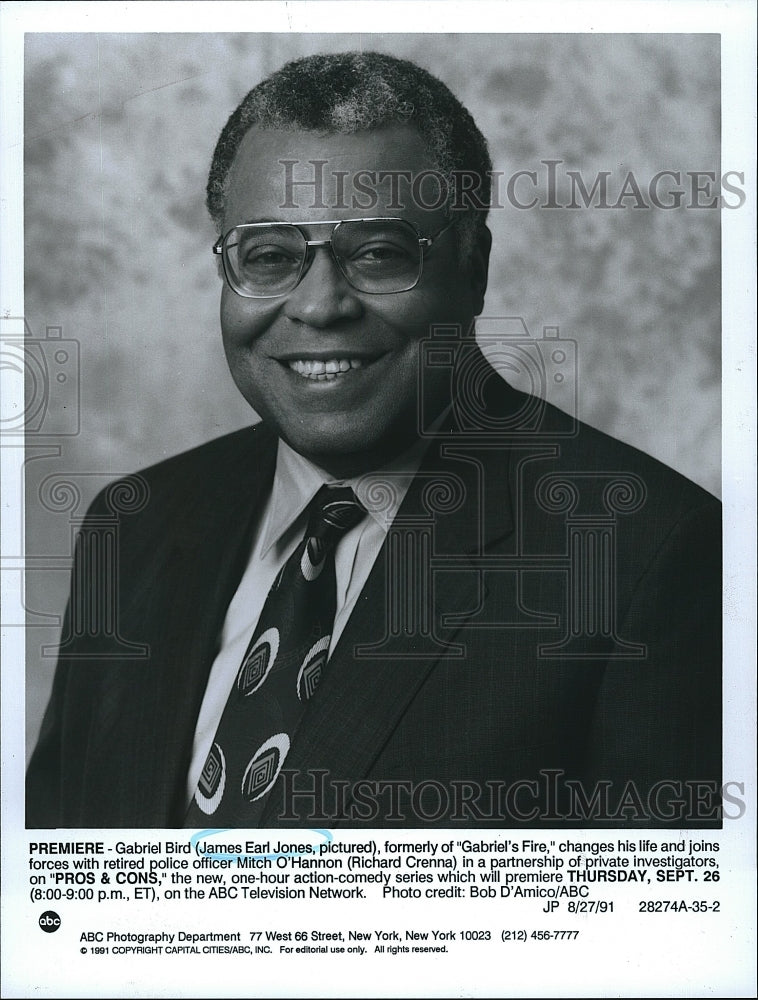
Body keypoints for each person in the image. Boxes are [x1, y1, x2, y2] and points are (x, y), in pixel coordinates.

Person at [26, 52, 721, 829]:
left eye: (378, 253)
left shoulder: (648, 556)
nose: (320, 306)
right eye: (270, 256)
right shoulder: (136, 525)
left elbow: (658, 932)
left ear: (474, 267)